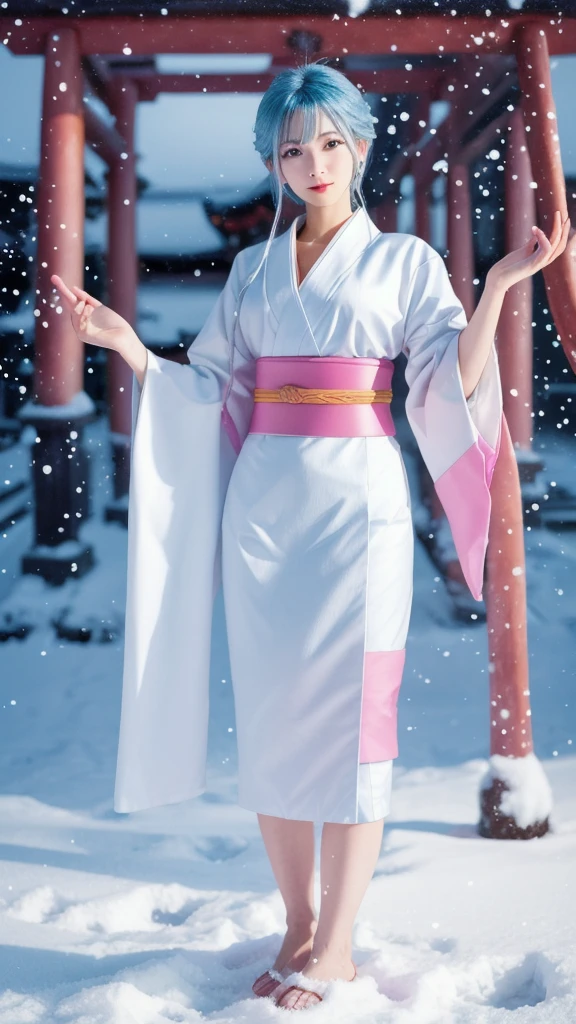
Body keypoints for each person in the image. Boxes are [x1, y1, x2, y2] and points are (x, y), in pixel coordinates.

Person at [51, 62, 569, 1012]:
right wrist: (130, 346)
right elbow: (211, 389)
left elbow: (443, 380)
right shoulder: (251, 270)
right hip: (263, 516)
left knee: (355, 733)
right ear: (274, 162)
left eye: (332, 142)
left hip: (357, 514)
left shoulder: (406, 262)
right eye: (294, 148)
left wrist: (496, 284)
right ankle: (296, 920)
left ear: (362, 148)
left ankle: (337, 945)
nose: (314, 161)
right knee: (278, 729)